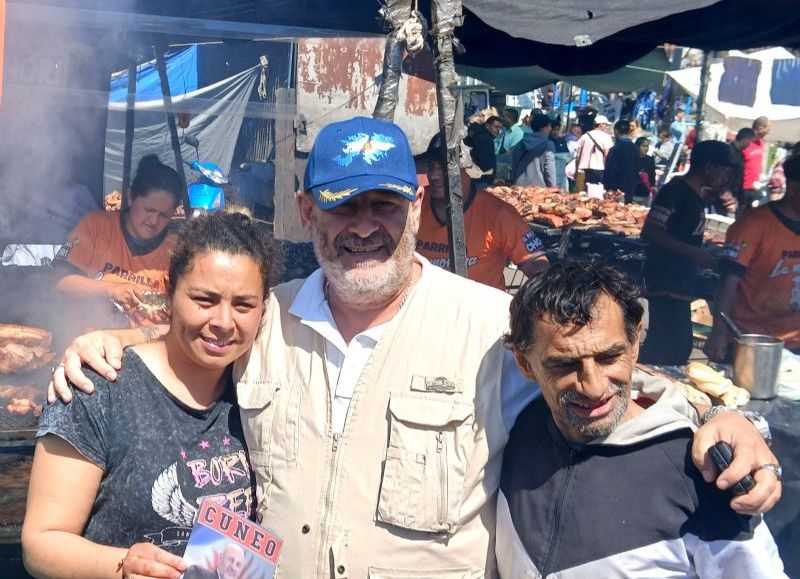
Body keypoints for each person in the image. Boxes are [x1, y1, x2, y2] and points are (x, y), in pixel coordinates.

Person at [50, 117, 781, 578]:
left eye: (385, 205)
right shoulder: (266, 320)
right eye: (343, 206)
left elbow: (595, 371)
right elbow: (192, 336)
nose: (364, 226)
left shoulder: (493, 326)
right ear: (308, 212)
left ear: (414, 207)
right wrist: (113, 336)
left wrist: (717, 415)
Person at [498, 261, 787, 578]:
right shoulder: (516, 425)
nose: (593, 387)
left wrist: (730, 417)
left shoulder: (701, 474)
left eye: (609, 357)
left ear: (635, 346)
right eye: (564, 365)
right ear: (524, 364)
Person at [22, 211, 271, 579]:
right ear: (169, 292)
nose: (223, 321)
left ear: (264, 308)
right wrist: (120, 566)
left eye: (243, 305)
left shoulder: (259, 383)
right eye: (204, 299)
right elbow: (41, 543)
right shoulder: (99, 386)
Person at [53, 155, 183, 327]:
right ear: (130, 197)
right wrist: (110, 289)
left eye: (164, 215)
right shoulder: (96, 226)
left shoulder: (175, 249)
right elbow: (61, 282)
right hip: (87, 340)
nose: (153, 221)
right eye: (148, 209)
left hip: (145, 346)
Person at [639, 140, 736, 366]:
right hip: (666, 283)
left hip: (681, 284)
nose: (725, 176)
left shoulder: (697, 196)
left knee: (678, 347)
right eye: (724, 169)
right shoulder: (675, 192)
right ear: (709, 167)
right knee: (669, 349)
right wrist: (694, 253)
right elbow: (651, 231)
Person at [416, 134, 549, 288]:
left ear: (469, 170)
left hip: (482, 310)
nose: (433, 175)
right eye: (431, 166)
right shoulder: (415, 203)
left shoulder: (498, 214)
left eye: (445, 167)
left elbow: (537, 266)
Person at [705, 154, 800, 361]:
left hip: (795, 343)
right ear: (793, 189)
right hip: (751, 340)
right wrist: (719, 332)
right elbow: (728, 282)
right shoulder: (753, 225)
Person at [716, 128, 755, 217]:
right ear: (745, 139)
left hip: (734, 195)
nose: (749, 145)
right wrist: (727, 197)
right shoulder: (728, 153)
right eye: (749, 141)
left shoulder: (740, 155)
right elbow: (723, 177)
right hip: (724, 196)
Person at [511, 113, 557, 187]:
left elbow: (514, 163)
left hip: (518, 186)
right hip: (538, 189)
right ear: (544, 128)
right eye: (549, 126)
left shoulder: (521, 142)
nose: (550, 129)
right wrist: (553, 187)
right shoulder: (548, 144)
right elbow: (549, 170)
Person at [603, 120, 640, 204]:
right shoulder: (634, 148)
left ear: (616, 131)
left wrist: (608, 186)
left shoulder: (616, 148)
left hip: (615, 189)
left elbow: (610, 169)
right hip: (630, 187)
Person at [741, 116, 772, 209]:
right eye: (767, 130)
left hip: (755, 187)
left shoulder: (761, 143)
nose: (768, 133)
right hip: (743, 187)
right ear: (760, 128)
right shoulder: (745, 142)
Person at [574, 114, 613, 190]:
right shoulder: (606, 137)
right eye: (605, 125)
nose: (606, 127)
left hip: (582, 170)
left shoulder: (584, 136)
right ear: (601, 125)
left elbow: (577, 155)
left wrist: (576, 169)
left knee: (581, 195)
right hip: (598, 170)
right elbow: (607, 154)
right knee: (595, 196)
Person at [466, 114, 503, 184]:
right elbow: (485, 162)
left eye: (500, 128)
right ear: (487, 126)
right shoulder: (486, 139)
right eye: (496, 127)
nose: (498, 130)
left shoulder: (479, 135)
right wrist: (491, 179)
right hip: (481, 181)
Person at [634, 136, 656, 203]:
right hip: (634, 193)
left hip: (645, 193)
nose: (646, 148)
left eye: (647, 146)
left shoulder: (650, 159)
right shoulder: (632, 159)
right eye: (643, 146)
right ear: (637, 146)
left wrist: (653, 186)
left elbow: (652, 174)